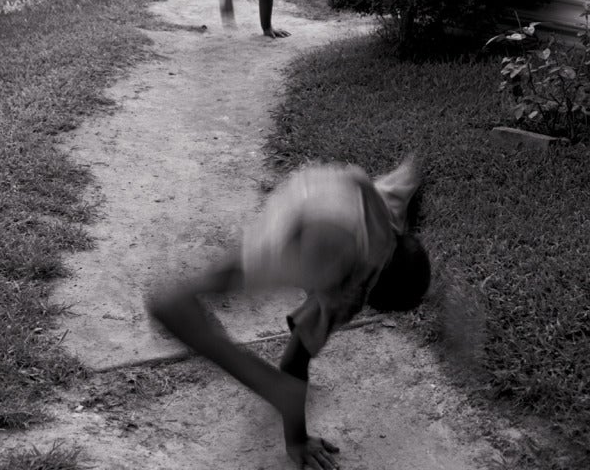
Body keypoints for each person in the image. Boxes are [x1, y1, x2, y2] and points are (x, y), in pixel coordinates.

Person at [146, 156, 430, 470]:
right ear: (373, 297)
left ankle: (187, 296)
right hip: (325, 236)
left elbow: (408, 178)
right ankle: (175, 308)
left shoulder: (389, 216)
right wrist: (296, 438)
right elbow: (295, 360)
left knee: (230, 274)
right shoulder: (348, 294)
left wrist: (417, 170)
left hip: (320, 188)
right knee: (228, 286)